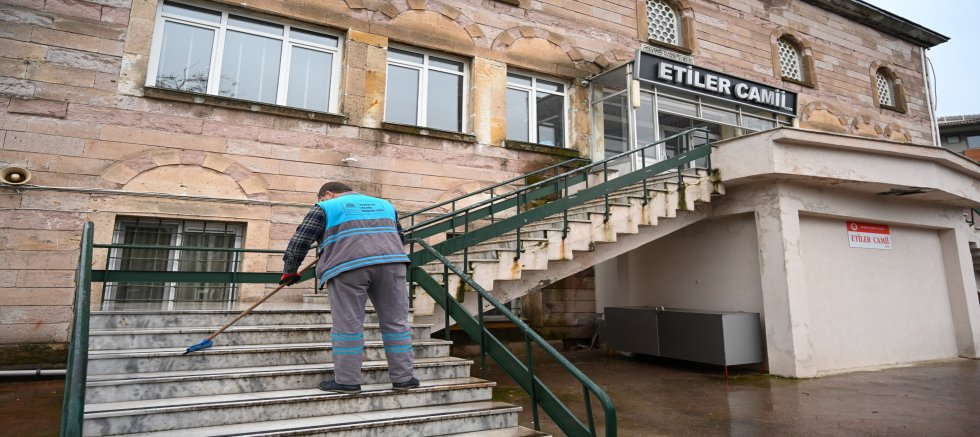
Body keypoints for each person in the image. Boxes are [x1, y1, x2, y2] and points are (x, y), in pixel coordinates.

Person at [280, 181, 418, 394]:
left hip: (348, 267)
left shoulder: (326, 207)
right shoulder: (385, 205)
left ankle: (347, 381)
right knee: (396, 322)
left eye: (321, 199)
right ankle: (404, 378)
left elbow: (300, 241)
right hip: (392, 264)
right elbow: (399, 236)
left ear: (327, 194)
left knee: (348, 324)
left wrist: (290, 270)